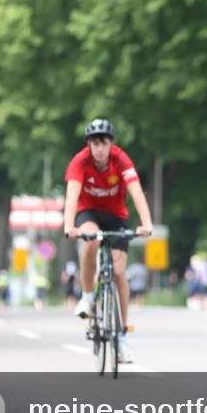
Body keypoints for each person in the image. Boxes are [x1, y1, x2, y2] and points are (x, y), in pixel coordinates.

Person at [64, 119, 154, 363]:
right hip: (89, 212)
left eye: (104, 142)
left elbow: (136, 191)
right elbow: (72, 194)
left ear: (111, 144)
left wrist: (146, 224)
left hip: (116, 217)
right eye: (95, 143)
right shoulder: (80, 162)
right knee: (91, 239)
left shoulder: (121, 160)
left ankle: (122, 336)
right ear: (89, 145)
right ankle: (86, 296)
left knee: (119, 272)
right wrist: (69, 226)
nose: (100, 148)